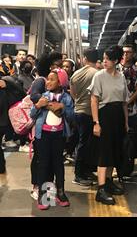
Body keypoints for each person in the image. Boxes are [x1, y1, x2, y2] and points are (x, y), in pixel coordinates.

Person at [89, 45, 129, 205]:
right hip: (105, 116)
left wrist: (126, 122)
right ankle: (101, 188)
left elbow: (124, 102)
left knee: (114, 151)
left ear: (116, 61)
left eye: (107, 59)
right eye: (104, 58)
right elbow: (94, 100)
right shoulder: (98, 76)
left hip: (118, 116)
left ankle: (109, 182)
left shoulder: (121, 77)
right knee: (104, 152)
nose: (104, 61)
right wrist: (96, 122)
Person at [31, 68, 74, 210]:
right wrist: (38, 105)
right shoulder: (43, 96)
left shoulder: (66, 98)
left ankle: (60, 192)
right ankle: (44, 194)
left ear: (61, 82)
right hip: (43, 135)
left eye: (51, 79)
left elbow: (71, 116)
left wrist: (63, 107)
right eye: (47, 79)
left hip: (59, 136)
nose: (47, 82)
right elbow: (32, 114)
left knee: (58, 164)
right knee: (43, 164)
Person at [29, 51, 63, 200]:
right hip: (40, 127)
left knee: (49, 160)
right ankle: (36, 186)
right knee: (39, 158)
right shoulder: (41, 81)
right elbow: (34, 96)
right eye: (57, 65)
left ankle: (46, 187)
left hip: (55, 130)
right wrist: (50, 104)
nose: (60, 68)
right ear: (49, 66)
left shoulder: (59, 83)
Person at [70, 48, 98, 186]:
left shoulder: (76, 74)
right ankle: (79, 174)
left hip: (78, 111)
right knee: (86, 145)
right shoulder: (97, 74)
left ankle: (83, 171)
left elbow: (73, 93)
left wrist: (79, 101)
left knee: (83, 143)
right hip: (89, 113)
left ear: (85, 58)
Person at [0, 76, 25, 172]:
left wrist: (6, 83)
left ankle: (1, 168)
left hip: (4, 122)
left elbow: (21, 92)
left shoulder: (6, 88)